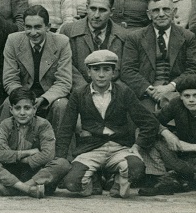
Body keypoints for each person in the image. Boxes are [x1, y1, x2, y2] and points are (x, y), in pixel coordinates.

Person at [58, 48, 158, 198]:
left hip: (119, 148)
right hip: (91, 149)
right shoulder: (79, 94)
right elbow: (66, 128)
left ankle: (119, 180)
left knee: (136, 169)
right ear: (88, 72)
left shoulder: (124, 92)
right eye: (96, 69)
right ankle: (92, 179)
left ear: (113, 72)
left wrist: (138, 146)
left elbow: (149, 122)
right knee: (72, 183)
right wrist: (61, 158)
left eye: (106, 69)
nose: (101, 75)